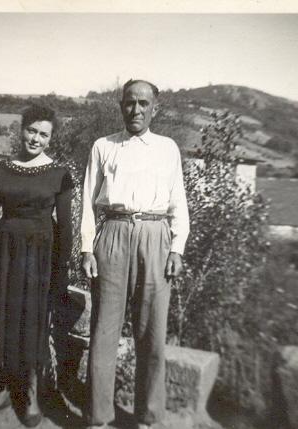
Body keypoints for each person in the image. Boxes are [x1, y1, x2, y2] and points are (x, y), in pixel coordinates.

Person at [81, 79, 190, 429]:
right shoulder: (103, 146)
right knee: (104, 330)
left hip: (156, 237)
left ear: (155, 108)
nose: (136, 109)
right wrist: (86, 248)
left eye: (144, 103)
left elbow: (178, 200)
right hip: (113, 232)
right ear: (121, 106)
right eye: (130, 102)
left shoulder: (168, 148)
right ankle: (98, 417)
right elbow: (87, 200)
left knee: (152, 332)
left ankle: (148, 417)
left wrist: (177, 248)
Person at [0, 104, 73, 428]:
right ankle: (3, 389)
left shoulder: (60, 174)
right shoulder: (0, 171)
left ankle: (29, 394)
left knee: (33, 322)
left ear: (51, 138)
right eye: (31, 131)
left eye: (44, 134)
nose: (36, 139)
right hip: (6, 255)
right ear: (21, 129)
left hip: (40, 259)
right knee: (4, 320)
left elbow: (66, 226)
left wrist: (61, 270)